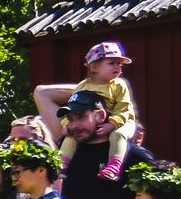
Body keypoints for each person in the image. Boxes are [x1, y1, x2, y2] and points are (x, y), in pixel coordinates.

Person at [33, 41, 140, 181]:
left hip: (122, 120)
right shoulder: (83, 86)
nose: (117, 67)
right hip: (104, 121)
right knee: (70, 136)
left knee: (118, 135)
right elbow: (70, 108)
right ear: (94, 67)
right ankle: (61, 165)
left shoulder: (119, 85)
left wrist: (112, 124)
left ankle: (114, 165)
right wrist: (66, 124)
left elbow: (124, 108)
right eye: (112, 63)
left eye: (119, 64)